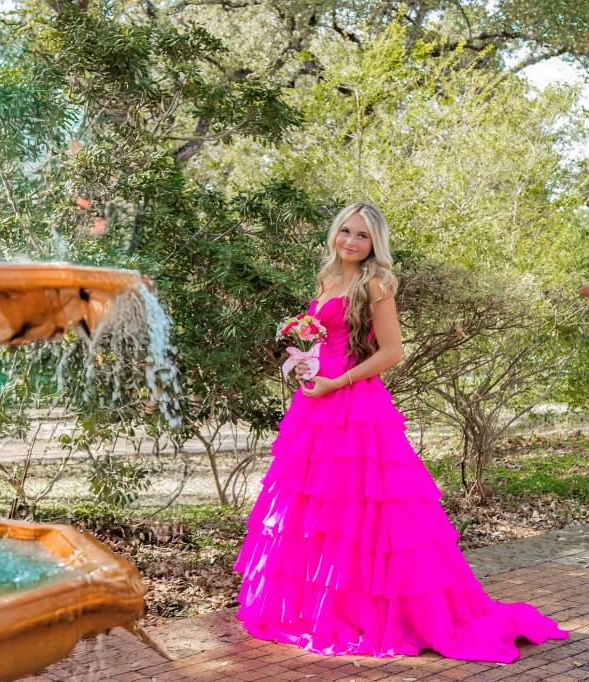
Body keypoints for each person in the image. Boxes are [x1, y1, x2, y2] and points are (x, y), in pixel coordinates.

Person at [233, 203, 568, 662]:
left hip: (352, 403)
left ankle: (378, 611)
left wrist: (338, 380)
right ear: (335, 233)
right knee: (317, 508)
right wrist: (310, 366)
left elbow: (392, 352)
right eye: (346, 231)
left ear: (375, 243)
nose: (351, 241)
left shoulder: (376, 283)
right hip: (317, 403)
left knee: (363, 508)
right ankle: (321, 606)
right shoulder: (328, 280)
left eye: (362, 236)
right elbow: (330, 339)